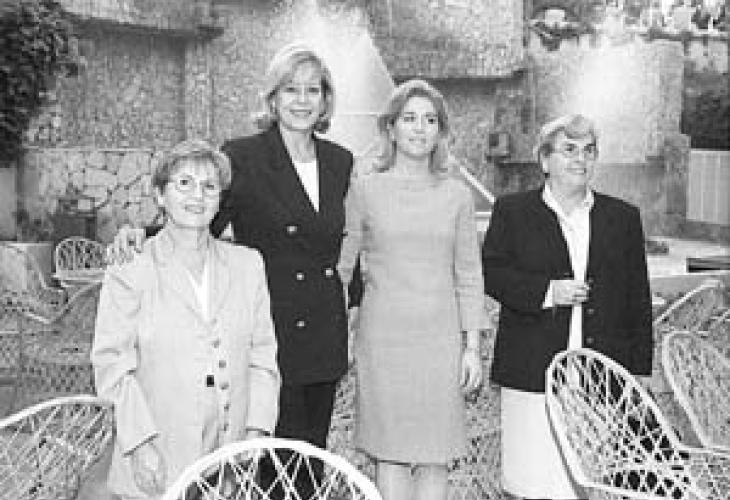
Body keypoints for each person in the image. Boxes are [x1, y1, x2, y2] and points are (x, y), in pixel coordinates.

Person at [107, 42, 354, 497]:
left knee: (308, 468)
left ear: (325, 100)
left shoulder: (340, 161)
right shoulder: (244, 156)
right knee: (264, 471)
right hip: (267, 332)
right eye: (291, 89)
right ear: (272, 98)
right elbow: (201, 217)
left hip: (322, 332)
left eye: (313, 90)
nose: (302, 100)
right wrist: (141, 234)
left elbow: (339, 244)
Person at [92, 139, 281, 500]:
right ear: (160, 196)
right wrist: (140, 444)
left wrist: (256, 432)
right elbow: (112, 363)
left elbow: (262, 356)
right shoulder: (131, 266)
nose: (197, 195)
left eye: (209, 186)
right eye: (184, 183)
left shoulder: (248, 266)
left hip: (229, 458)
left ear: (220, 199)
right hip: (158, 454)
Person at [481, 114, 653, 500]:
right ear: (544, 160)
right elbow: (492, 273)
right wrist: (546, 292)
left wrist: (639, 371)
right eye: (569, 150)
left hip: (600, 377)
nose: (581, 159)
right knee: (531, 482)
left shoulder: (623, 218)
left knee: (589, 481)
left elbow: (638, 299)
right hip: (531, 370)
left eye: (589, 151)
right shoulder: (512, 212)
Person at [337, 79, 486, 500]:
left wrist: (472, 346)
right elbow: (343, 268)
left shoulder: (458, 196)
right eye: (409, 118)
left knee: (436, 454)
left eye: (430, 120)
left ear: (440, 131)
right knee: (391, 454)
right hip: (383, 341)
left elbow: (468, 273)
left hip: (440, 341)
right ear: (391, 127)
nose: (420, 128)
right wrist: (339, 329)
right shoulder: (364, 190)